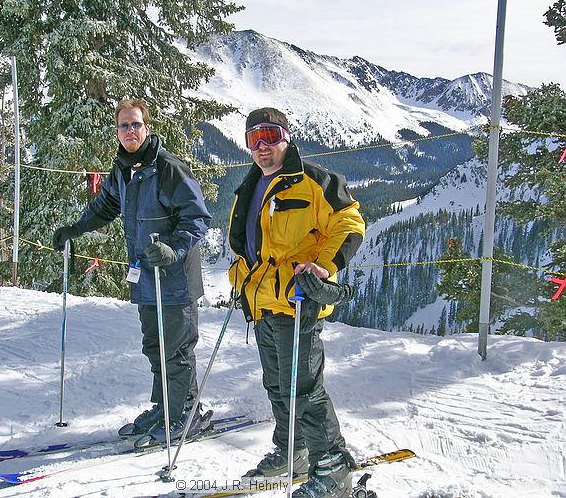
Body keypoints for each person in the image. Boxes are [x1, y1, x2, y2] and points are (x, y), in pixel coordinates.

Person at [52, 99, 212, 444]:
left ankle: (186, 411)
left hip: (175, 279)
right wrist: (75, 229)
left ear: (147, 128)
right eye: (123, 126)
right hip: (146, 276)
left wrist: (172, 248)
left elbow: (197, 217)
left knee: (176, 349)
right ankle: (165, 406)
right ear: (117, 131)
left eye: (136, 124)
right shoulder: (123, 170)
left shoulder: (168, 168)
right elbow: (105, 206)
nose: (130, 131)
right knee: (155, 346)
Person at [228, 107, 365, 497]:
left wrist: (325, 266)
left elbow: (349, 222)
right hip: (262, 302)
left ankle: (333, 468)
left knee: (303, 389)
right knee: (277, 385)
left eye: (270, 136)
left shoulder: (314, 181)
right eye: (254, 138)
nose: (263, 146)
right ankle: (293, 451)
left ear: (286, 138)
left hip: (298, 300)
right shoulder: (250, 186)